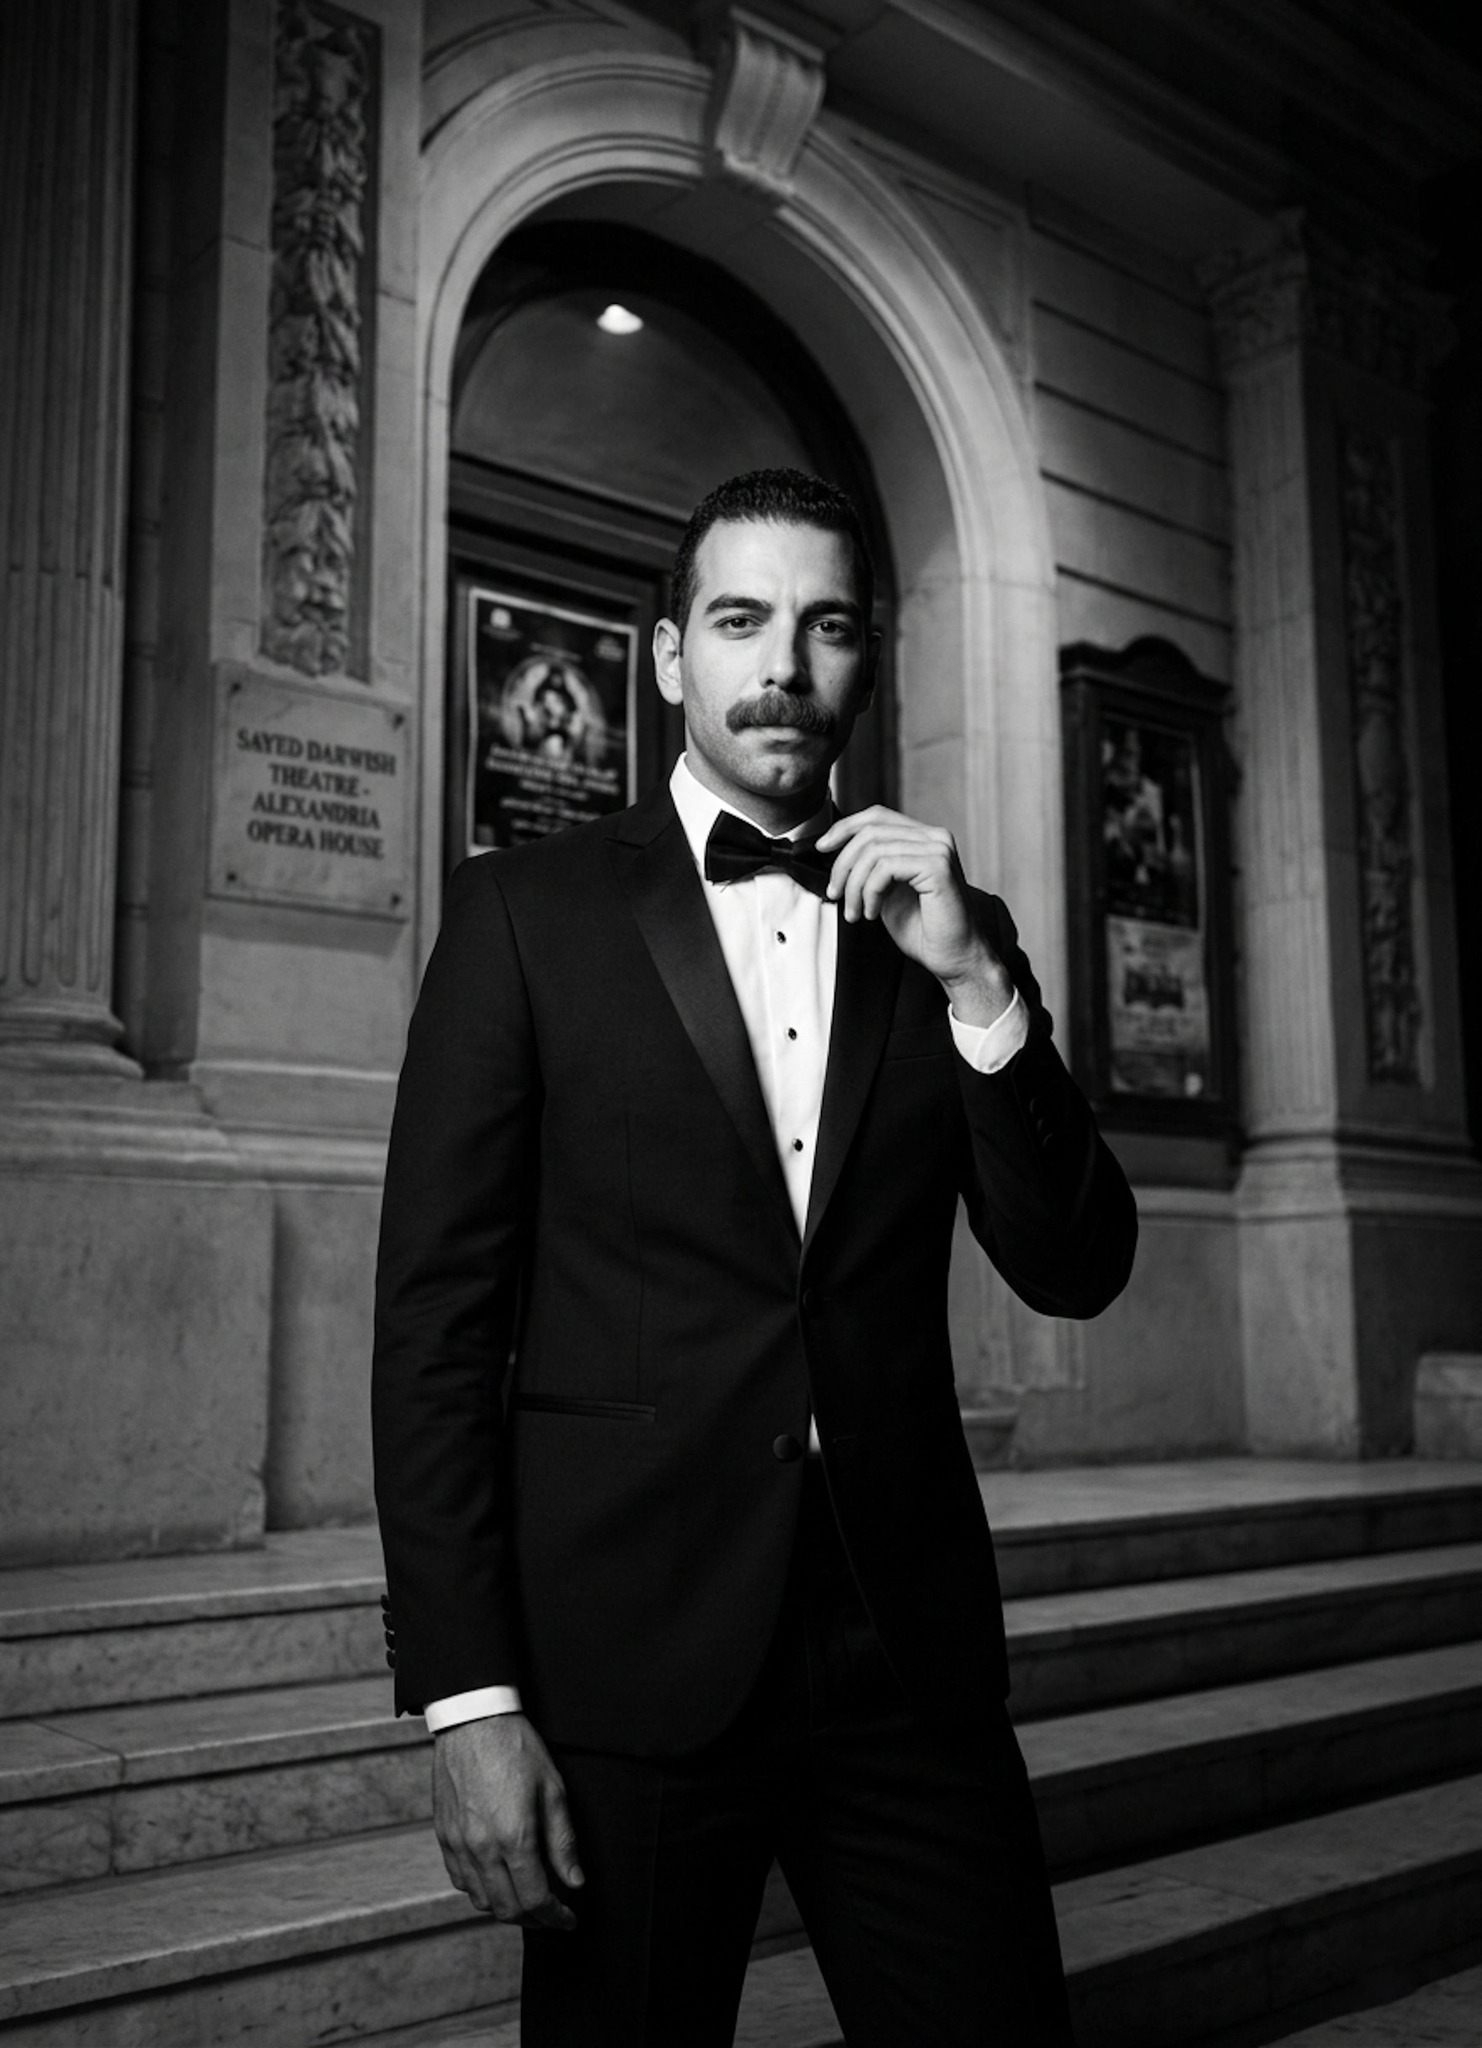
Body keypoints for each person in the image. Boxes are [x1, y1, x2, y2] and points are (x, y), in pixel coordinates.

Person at [373, 468, 1137, 2046]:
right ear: (668, 660)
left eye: (826, 626)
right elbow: (437, 1327)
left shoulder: (946, 924)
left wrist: (977, 980)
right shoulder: (523, 915)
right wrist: (469, 1700)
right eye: (740, 621)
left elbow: (1072, 1267)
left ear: (865, 661)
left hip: (902, 1653)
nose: (782, 662)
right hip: (627, 1660)